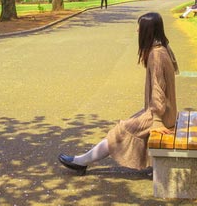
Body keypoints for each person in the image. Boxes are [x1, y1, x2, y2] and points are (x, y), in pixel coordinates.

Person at [57, 12, 178, 175]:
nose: (137, 31)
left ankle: (82, 161)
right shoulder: (162, 48)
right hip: (164, 112)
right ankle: (83, 160)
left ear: (147, 30)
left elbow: (158, 90)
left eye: (139, 27)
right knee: (129, 124)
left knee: (121, 130)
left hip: (161, 115)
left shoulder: (156, 55)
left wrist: (156, 121)